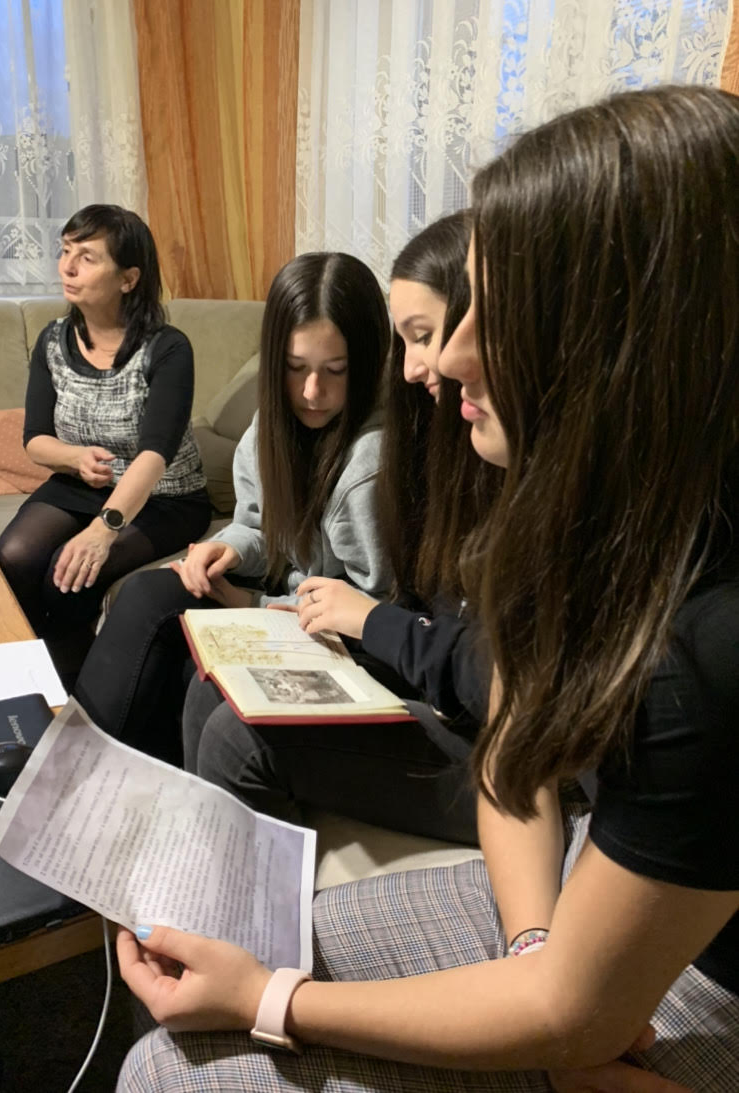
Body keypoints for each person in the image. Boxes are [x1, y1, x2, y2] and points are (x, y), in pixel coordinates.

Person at [115, 85, 739, 1092]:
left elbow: (573, 1014)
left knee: (166, 1072)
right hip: (589, 887)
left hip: (700, 980)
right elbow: (516, 745)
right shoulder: (603, 531)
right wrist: (536, 945)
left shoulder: (702, 644)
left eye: (501, 313)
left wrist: (269, 1000)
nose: (446, 357)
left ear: (634, 339)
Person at [180, 213, 493, 843]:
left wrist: (271, 608)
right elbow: (259, 526)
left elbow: (472, 669)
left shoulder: (383, 459)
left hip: (463, 717)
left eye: (425, 337)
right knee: (204, 681)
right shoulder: (456, 440)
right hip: (425, 665)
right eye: (408, 341)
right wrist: (229, 549)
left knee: (239, 735)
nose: (415, 368)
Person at [73, 251, 392, 762]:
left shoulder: (367, 467)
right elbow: (259, 525)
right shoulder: (274, 424)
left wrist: (251, 605)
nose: (312, 392)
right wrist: (230, 550)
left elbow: (372, 617)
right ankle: (85, 765)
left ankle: (78, 767)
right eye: (294, 368)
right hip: (284, 600)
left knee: (181, 653)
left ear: (369, 362)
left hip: (334, 635)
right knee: (151, 593)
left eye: (336, 370)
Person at [0, 204, 210, 664]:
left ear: (128, 279)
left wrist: (104, 528)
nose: (67, 267)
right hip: (83, 485)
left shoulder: (168, 348)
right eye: (65, 251)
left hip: (165, 498)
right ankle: (28, 667)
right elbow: (35, 439)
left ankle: (75, 685)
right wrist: (73, 458)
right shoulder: (52, 341)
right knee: (13, 554)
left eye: (87, 257)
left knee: (69, 575)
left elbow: (155, 455)